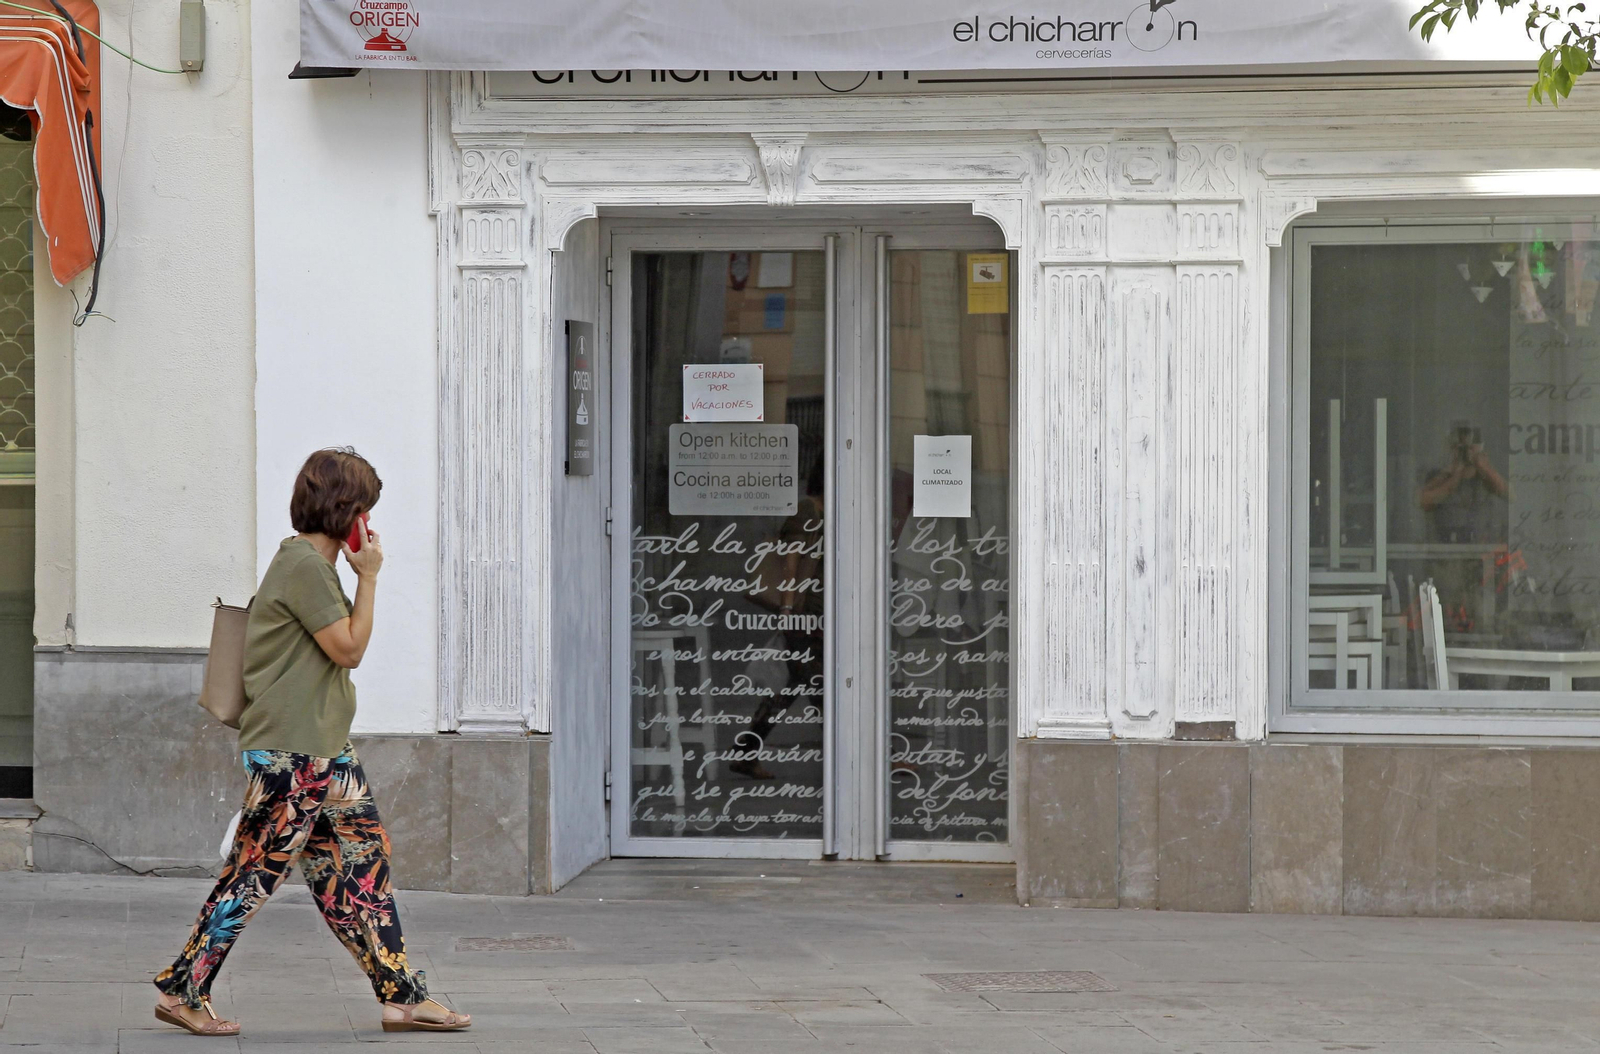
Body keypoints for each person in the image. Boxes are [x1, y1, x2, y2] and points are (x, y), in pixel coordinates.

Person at [152, 448, 470, 1037]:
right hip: (293, 753)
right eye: (365, 511)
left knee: (360, 867)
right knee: (255, 870)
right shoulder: (303, 565)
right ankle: (182, 990)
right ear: (347, 513)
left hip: (323, 747)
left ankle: (402, 994)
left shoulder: (311, 568)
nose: (369, 525)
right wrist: (370, 576)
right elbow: (349, 649)